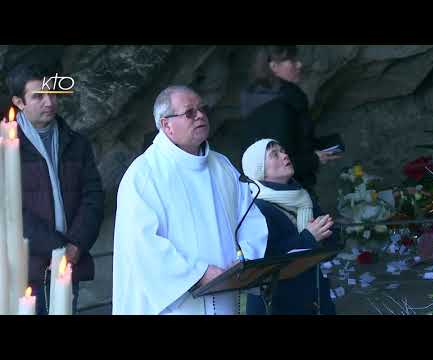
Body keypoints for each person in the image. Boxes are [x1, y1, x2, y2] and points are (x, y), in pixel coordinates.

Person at [112, 85, 268, 315]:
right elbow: (141, 245)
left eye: (202, 109)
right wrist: (199, 274)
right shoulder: (144, 174)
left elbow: (249, 217)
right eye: (189, 113)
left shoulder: (222, 166)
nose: (201, 116)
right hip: (175, 304)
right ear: (166, 125)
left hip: (225, 292)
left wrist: (245, 258)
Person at [6, 63, 105, 315]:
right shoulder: (5, 146)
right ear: (19, 102)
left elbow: (93, 196)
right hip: (25, 266)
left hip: (69, 262)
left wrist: (75, 246)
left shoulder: (76, 143)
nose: (49, 102)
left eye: (52, 94)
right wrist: (57, 248)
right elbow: (9, 209)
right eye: (38, 96)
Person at [242, 139, 337, 315]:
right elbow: (263, 261)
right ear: (259, 168)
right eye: (274, 154)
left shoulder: (303, 198)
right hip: (278, 303)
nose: (285, 155)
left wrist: (329, 234)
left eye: (283, 150)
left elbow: (331, 243)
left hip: (314, 295)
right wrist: (309, 238)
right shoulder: (255, 209)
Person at [240, 45, 341, 194]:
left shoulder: (260, 98)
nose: (299, 64)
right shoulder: (278, 107)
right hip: (288, 192)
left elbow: (293, 142)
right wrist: (314, 159)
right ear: (274, 66)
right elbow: (279, 163)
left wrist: (321, 146)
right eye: (291, 60)